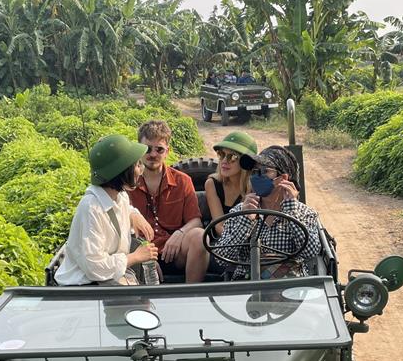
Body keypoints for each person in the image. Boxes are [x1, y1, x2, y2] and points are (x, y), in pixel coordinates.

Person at [54, 134, 157, 286]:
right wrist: (135, 257)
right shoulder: (91, 208)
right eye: (136, 166)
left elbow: (120, 209)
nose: (140, 170)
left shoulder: (119, 195)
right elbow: (94, 266)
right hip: (84, 286)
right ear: (121, 172)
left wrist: (134, 214)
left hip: (107, 279)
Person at [214, 145, 322, 280]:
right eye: (254, 171)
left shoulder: (304, 212)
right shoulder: (239, 211)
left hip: (290, 285)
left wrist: (290, 211)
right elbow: (221, 258)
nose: (257, 176)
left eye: (265, 171)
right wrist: (245, 221)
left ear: (283, 178)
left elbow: (311, 253)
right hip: (247, 284)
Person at [128, 120, 209, 283]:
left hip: (174, 251)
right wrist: (144, 254)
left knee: (200, 236)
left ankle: (192, 296)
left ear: (167, 151)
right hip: (138, 251)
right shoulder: (128, 183)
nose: (153, 154)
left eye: (159, 149)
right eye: (147, 149)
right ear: (139, 150)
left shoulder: (182, 180)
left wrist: (180, 233)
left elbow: (195, 221)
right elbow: (120, 226)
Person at [205, 130, 257, 236]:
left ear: (246, 162)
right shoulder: (212, 184)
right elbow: (219, 226)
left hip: (249, 243)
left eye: (232, 157)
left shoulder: (255, 187)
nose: (224, 161)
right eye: (222, 154)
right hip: (221, 242)